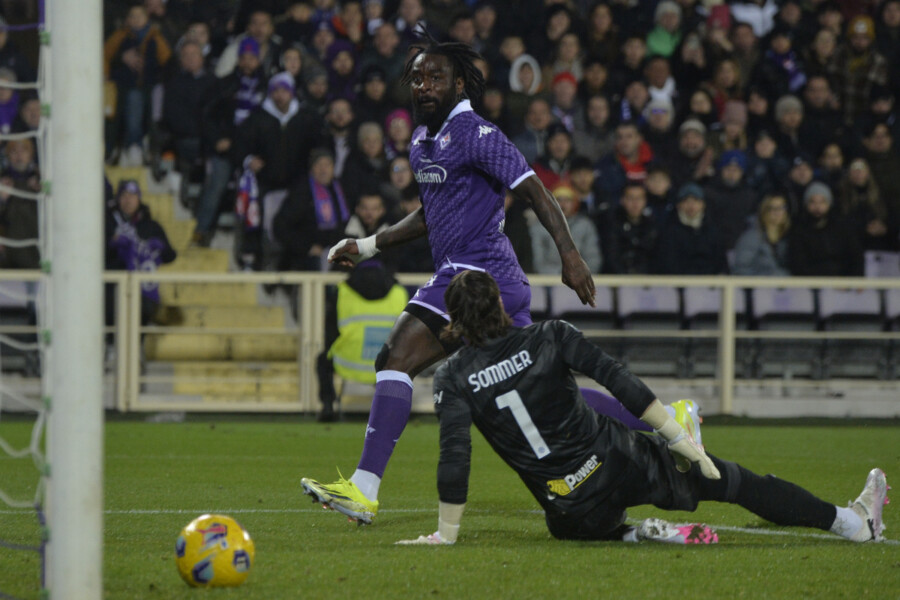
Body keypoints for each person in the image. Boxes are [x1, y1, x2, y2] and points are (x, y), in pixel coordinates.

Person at [301, 31, 596, 524]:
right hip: (479, 277)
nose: (423, 85)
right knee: (542, 388)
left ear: (459, 83)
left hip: (478, 275)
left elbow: (536, 192)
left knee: (395, 355)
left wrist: (571, 255)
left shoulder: (479, 134)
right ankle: (668, 421)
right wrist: (370, 244)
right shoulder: (422, 141)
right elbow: (428, 216)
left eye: (435, 76)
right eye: (417, 78)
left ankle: (363, 490)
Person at [395, 270, 888, 545]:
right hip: (618, 462)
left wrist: (445, 536)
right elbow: (619, 381)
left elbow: (454, 459)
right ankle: (853, 524)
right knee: (735, 483)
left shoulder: (453, 376)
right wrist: (679, 440)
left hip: (567, 513)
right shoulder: (550, 335)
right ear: (501, 304)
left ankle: (633, 535)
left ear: (455, 321)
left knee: (579, 516)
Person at [732, 194, 791, 276]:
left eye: (782, 208)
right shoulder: (751, 237)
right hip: (758, 286)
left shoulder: (788, 238)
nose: (778, 212)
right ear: (764, 211)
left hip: (787, 286)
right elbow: (741, 268)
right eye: (773, 208)